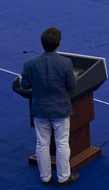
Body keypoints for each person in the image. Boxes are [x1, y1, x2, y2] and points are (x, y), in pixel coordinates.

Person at [19, 27, 80, 187]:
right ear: (58, 44)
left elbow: (24, 85)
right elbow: (71, 86)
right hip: (60, 109)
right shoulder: (65, 63)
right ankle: (63, 177)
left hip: (39, 109)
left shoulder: (29, 63)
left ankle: (45, 177)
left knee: (42, 143)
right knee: (61, 143)